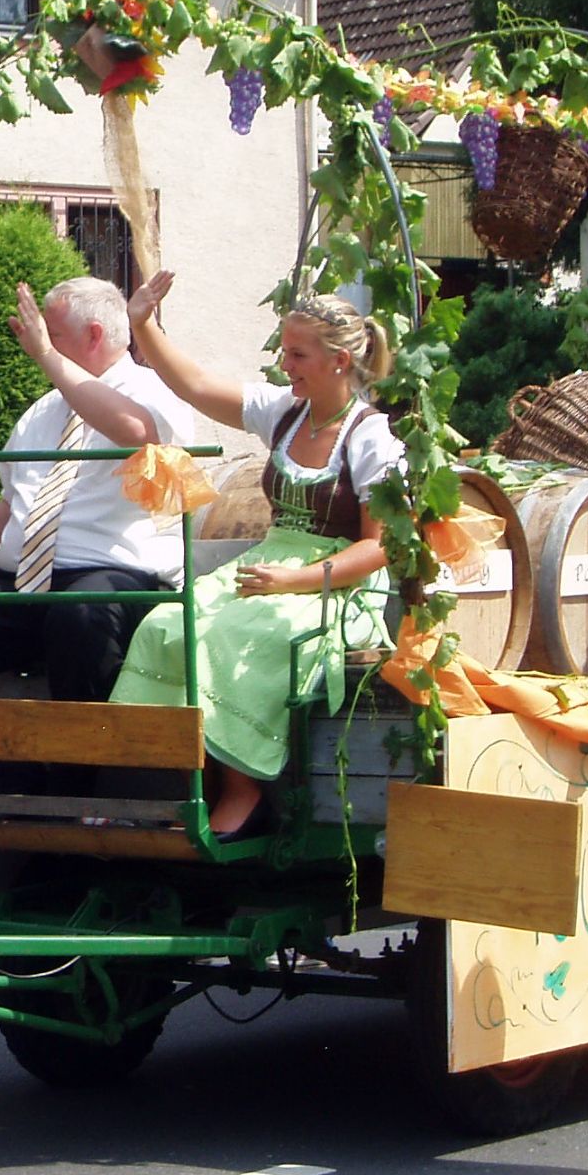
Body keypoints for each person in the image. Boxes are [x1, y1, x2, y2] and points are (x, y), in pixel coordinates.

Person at [110, 272, 405, 838]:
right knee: (166, 624)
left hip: (335, 583)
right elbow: (196, 385)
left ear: (340, 361)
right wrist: (142, 323)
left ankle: (245, 790)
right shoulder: (285, 412)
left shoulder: (371, 438)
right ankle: (193, 778)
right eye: (285, 351)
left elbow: (379, 546)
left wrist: (296, 580)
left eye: (297, 354)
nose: (285, 364)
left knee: (232, 636)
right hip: (273, 561)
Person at [0, 275, 193, 712]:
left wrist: (47, 355)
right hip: (24, 582)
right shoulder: (40, 413)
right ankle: (7, 752)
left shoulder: (151, 390)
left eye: (51, 335)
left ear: (94, 335)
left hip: (110, 576)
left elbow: (135, 431)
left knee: (80, 616)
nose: (37, 346)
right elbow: (14, 519)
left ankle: (84, 758)